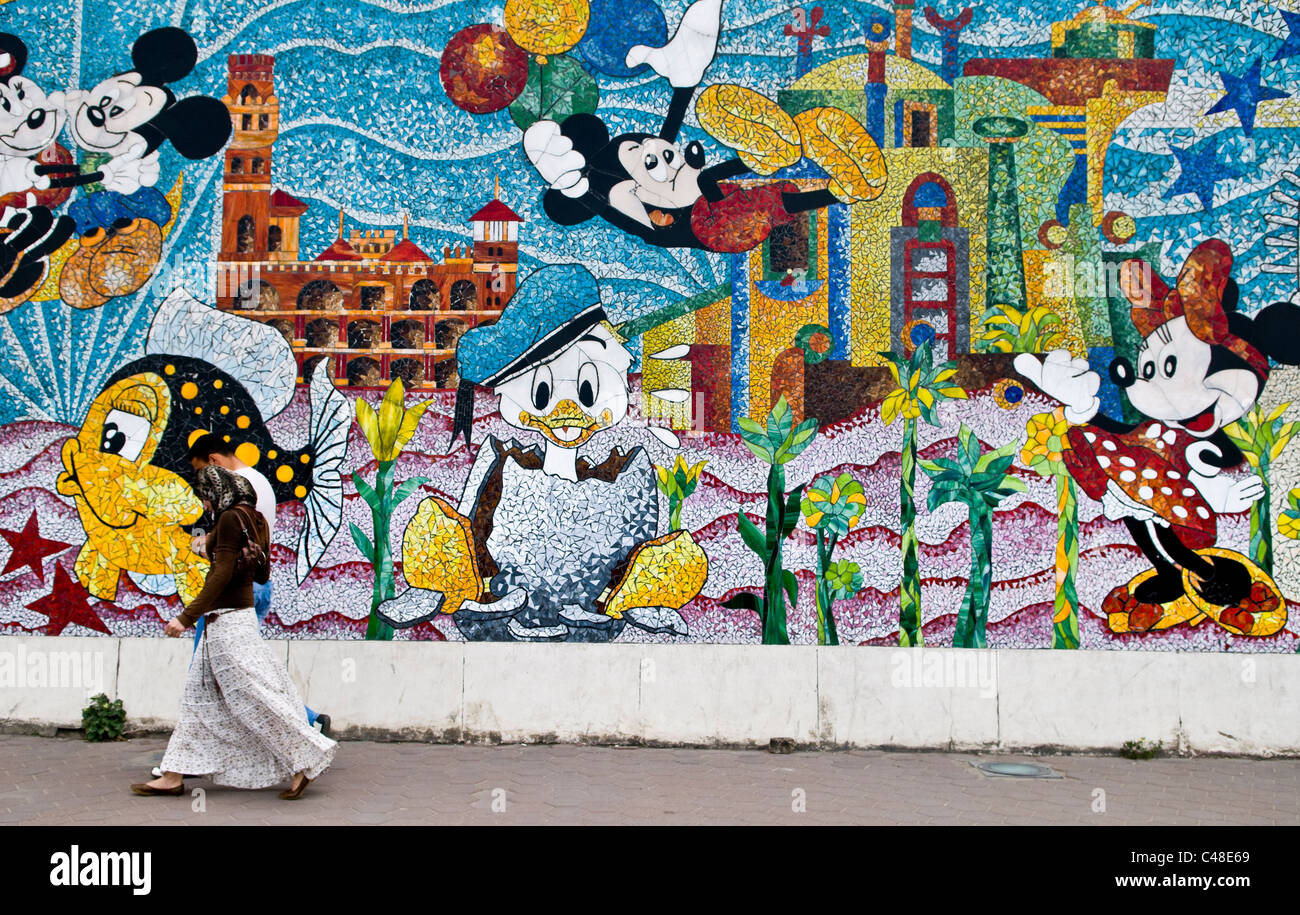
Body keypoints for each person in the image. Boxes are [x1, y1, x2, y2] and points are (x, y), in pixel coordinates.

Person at [132, 465, 336, 800]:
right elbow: (263, 570)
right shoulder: (255, 520)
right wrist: (216, 546)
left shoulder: (228, 518)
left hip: (225, 623)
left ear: (217, 492)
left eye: (206, 499)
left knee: (256, 695)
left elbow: (223, 571)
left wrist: (185, 618)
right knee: (197, 702)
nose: (206, 507)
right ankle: (172, 776)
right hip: (230, 621)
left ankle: (306, 757)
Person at [186, 434, 329, 737]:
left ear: (214, 461)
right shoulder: (259, 482)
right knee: (247, 672)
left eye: (203, 473)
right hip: (257, 587)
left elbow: (233, 541)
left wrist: (202, 544)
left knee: (203, 674)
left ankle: (185, 757)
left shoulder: (239, 488)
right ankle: (307, 721)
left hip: (234, 593)